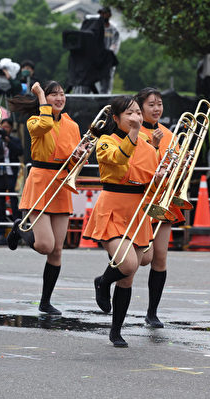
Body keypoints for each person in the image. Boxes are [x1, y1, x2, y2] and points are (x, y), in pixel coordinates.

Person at [83, 95, 161, 347]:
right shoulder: (105, 141)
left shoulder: (149, 148)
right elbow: (118, 159)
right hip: (113, 207)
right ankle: (103, 281)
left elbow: (151, 185)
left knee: (133, 272)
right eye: (129, 113)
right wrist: (134, 135)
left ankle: (116, 330)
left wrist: (162, 177)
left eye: (138, 112)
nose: (136, 116)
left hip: (137, 209)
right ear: (116, 119)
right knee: (128, 265)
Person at [6, 81, 82, 315]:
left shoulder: (72, 124)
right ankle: (20, 230)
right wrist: (39, 95)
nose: (60, 98)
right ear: (44, 98)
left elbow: (74, 157)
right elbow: (46, 123)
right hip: (41, 180)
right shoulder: (34, 121)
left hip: (61, 183)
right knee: (45, 245)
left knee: (57, 250)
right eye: (53, 95)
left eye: (62, 94)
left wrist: (79, 155)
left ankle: (45, 301)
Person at [135, 87, 184, 328]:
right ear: (140, 107)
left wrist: (181, 166)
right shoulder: (133, 132)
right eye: (151, 105)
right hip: (140, 201)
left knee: (160, 258)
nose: (157, 109)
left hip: (162, 200)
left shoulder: (168, 134)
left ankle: (152, 312)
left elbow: (175, 169)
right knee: (142, 258)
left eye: (159, 104)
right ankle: (106, 279)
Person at [0, 118, 23, 243]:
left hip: (11, 175)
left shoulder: (14, 140)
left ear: (11, 128)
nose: (4, 130)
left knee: (14, 204)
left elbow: (19, 151)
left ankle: (17, 232)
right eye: (2, 127)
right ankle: (1, 233)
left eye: (7, 128)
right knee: (0, 205)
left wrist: (7, 140)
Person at [97, 7, 120, 94]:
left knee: (107, 83)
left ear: (109, 15)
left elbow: (115, 45)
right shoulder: (96, 29)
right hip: (97, 61)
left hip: (108, 62)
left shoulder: (113, 30)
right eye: (101, 14)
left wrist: (107, 56)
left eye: (104, 13)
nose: (102, 16)